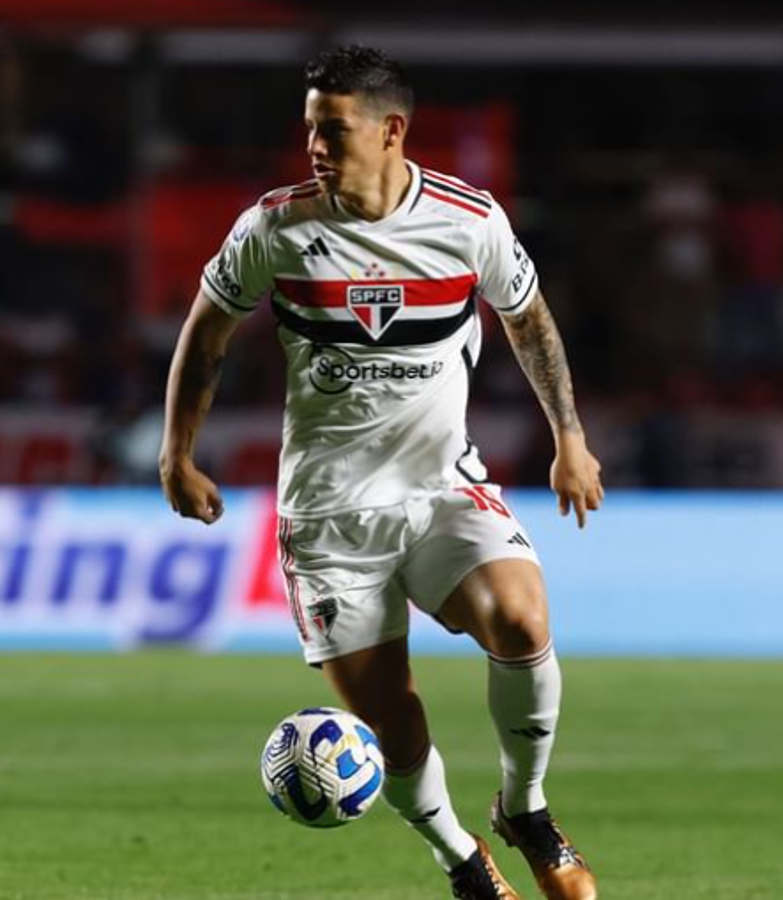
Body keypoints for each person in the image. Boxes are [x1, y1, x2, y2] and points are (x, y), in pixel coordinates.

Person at [159, 45, 603, 900]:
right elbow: (206, 330)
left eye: (332, 130)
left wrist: (569, 438)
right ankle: (461, 861)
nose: (314, 146)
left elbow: (528, 320)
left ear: (391, 130)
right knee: (392, 727)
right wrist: (176, 453)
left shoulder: (468, 220)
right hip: (329, 518)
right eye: (310, 129)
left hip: (443, 488)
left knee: (520, 621)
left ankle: (526, 809)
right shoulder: (275, 228)